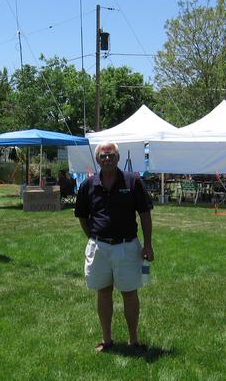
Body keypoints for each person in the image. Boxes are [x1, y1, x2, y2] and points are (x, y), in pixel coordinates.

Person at [74, 142, 154, 352]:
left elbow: (145, 213)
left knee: (129, 292)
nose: (107, 159)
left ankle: (133, 341)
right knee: (103, 291)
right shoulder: (88, 185)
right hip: (99, 248)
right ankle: (107, 340)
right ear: (97, 159)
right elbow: (82, 216)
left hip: (127, 247)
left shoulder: (133, 181)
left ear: (118, 158)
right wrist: (93, 238)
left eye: (111, 155)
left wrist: (147, 244)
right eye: (103, 156)